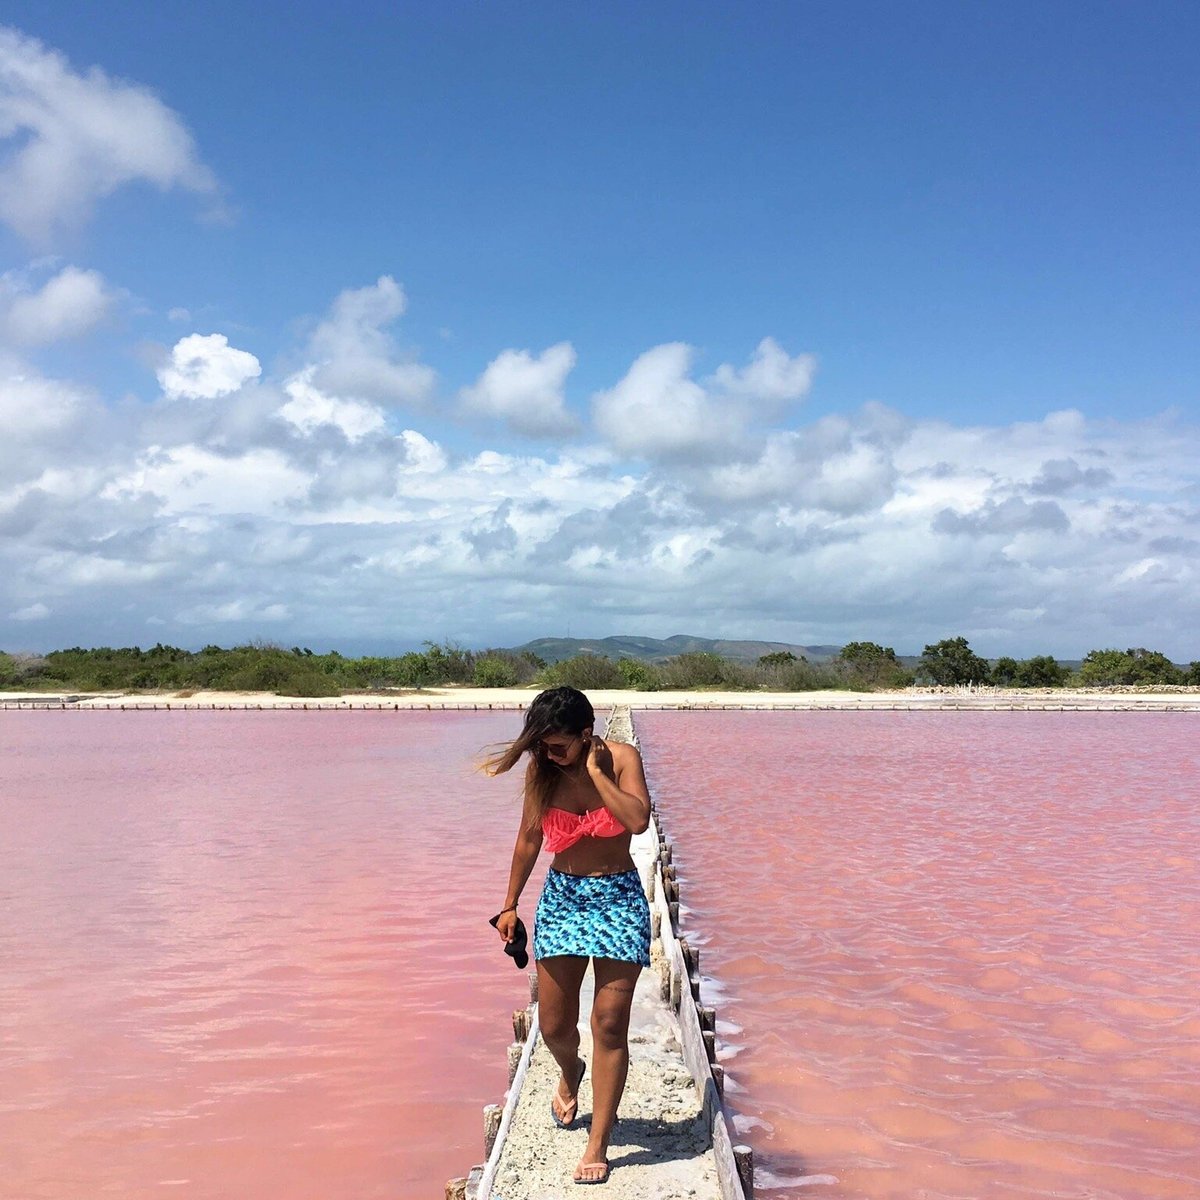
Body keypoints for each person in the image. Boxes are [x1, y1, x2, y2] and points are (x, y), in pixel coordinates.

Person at [486, 685, 652, 1186]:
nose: (548, 755)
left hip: (619, 899)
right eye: (541, 746)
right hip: (563, 898)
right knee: (556, 1025)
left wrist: (599, 774)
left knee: (608, 1023)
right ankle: (570, 1069)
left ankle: (598, 1139)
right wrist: (510, 904)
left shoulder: (622, 758)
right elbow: (529, 839)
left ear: (587, 735)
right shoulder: (544, 771)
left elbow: (638, 821)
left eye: (558, 746)